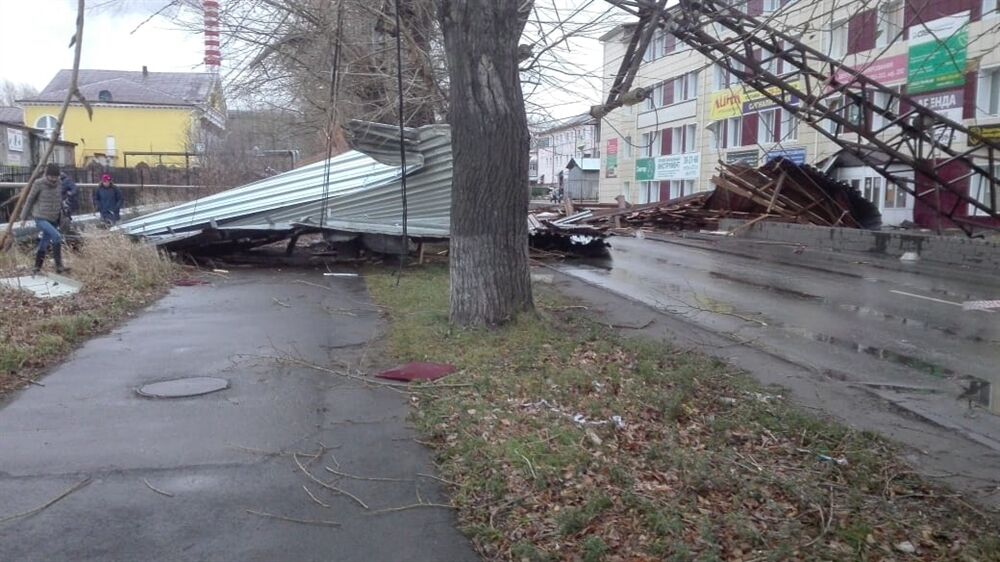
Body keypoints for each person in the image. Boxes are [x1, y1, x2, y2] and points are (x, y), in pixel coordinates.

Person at [20, 163, 69, 275]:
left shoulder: (59, 183)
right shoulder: (38, 183)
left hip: (54, 218)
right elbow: (30, 200)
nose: (53, 179)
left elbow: (59, 199)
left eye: (55, 177)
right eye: (51, 176)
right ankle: (59, 266)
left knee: (44, 242)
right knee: (56, 237)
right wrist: (23, 217)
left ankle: (37, 268)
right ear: (46, 175)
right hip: (40, 217)